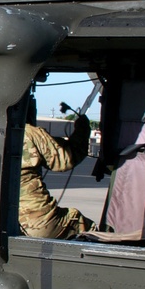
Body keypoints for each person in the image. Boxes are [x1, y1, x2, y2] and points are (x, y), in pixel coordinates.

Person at [19, 102, 96, 239]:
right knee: (90, 229)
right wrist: (83, 128)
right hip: (37, 223)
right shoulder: (27, 133)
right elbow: (66, 158)